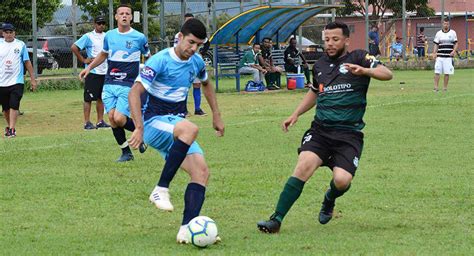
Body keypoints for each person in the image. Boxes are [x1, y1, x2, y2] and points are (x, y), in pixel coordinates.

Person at [257, 21, 393, 233]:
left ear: (346, 40)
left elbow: (387, 73)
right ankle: (276, 220)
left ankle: (329, 198)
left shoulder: (359, 57)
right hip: (321, 131)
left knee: (341, 180)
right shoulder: (319, 66)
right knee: (303, 166)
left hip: (349, 135)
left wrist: (365, 71)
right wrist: (295, 114)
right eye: (327, 39)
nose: (329, 44)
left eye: (335, 39)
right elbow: (314, 92)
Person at [127, 18, 225, 243]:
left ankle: (186, 229)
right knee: (190, 128)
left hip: (176, 126)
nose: (193, 48)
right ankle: (160, 188)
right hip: (154, 123)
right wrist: (139, 128)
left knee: (201, 173)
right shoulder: (160, 60)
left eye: (198, 45)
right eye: (190, 42)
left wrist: (217, 115)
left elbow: (207, 84)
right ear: (179, 37)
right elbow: (134, 93)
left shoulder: (196, 62)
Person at [79, 4, 149, 162]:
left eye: (127, 14)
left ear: (131, 17)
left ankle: (142, 131)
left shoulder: (139, 37)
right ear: (116, 17)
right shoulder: (109, 36)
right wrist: (89, 68)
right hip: (109, 83)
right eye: (121, 13)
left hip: (128, 84)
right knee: (111, 118)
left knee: (118, 118)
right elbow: (103, 54)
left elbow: (149, 57)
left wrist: (148, 78)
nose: (124, 16)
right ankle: (126, 153)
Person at [72, 16, 110, 130]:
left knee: (101, 97)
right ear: (94, 24)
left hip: (105, 71)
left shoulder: (107, 36)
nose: (101, 25)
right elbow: (74, 47)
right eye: (99, 23)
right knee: (88, 98)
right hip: (92, 72)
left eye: (103, 23)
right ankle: (87, 122)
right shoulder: (88, 36)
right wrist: (83, 60)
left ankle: (100, 121)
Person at [0, 23, 37, 138]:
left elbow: (27, 62)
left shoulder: (20, 45)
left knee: (14, 105)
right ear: (3, 33)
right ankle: (9, 126)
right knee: (6, 108)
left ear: (14, 33)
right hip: (2, 82)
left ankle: (12, 129)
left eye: (11, 32)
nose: (9, 34)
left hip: (17, 81)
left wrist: (33, 79)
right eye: (7, 32)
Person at [173, 13, 206, 116]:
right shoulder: (179, 35)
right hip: (183, 64)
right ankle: (184, 109)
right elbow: (177, 49)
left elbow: (207, 42)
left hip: (195, 63)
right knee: (184, 86)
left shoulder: (198, 35)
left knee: (197, 84)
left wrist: (202, 52)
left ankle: (197, 109)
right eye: (187, 20)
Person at [433, 18, 457, 92]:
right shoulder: (438, 33)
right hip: (440, 56)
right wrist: (434, 53)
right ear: (442, 24)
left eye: (447, 24)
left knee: (447, 73)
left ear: (449, 24)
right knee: (437, 72)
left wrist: (454, 51)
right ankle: (436, 88)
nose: (446, 25)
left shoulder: (453, 33)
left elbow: (456, 43)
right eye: (444, 23)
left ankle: (445, 88)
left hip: (448, 57)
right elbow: (436, 44)